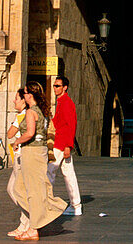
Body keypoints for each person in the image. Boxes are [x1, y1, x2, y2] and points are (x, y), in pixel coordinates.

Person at [11, 79, 67, 240]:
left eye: (26, 93)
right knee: (19, 189)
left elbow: (29, 133)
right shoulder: (40, 111)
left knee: (33, 191)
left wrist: (17, 141)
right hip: (35, 152)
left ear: (31, 95)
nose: (24, 95)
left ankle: (35, 227)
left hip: (33, 152)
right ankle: (40, 217)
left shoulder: (31, 112)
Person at [47, 75, 81, 216]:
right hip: (61, 142)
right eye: (54, 86)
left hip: (61, 143)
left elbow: (71, 125)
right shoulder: (62, 102)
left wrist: (68, 145)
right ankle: (76, 205)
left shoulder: (66, 102)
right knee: (68, 174)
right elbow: (60, 122)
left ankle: (46, 202)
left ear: (64, 87)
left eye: (58, 86)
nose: (55, 88)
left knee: (50, 172)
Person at [7, 88, 30, 239]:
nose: (14, 101)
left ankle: (27, 221)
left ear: (23, 100)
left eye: (16, 98)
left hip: (22, 156)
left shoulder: (22, 116)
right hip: (21, 156)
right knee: (13, 189)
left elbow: (9, 133)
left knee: (16, 190)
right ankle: (27, 219)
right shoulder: (26, 115)